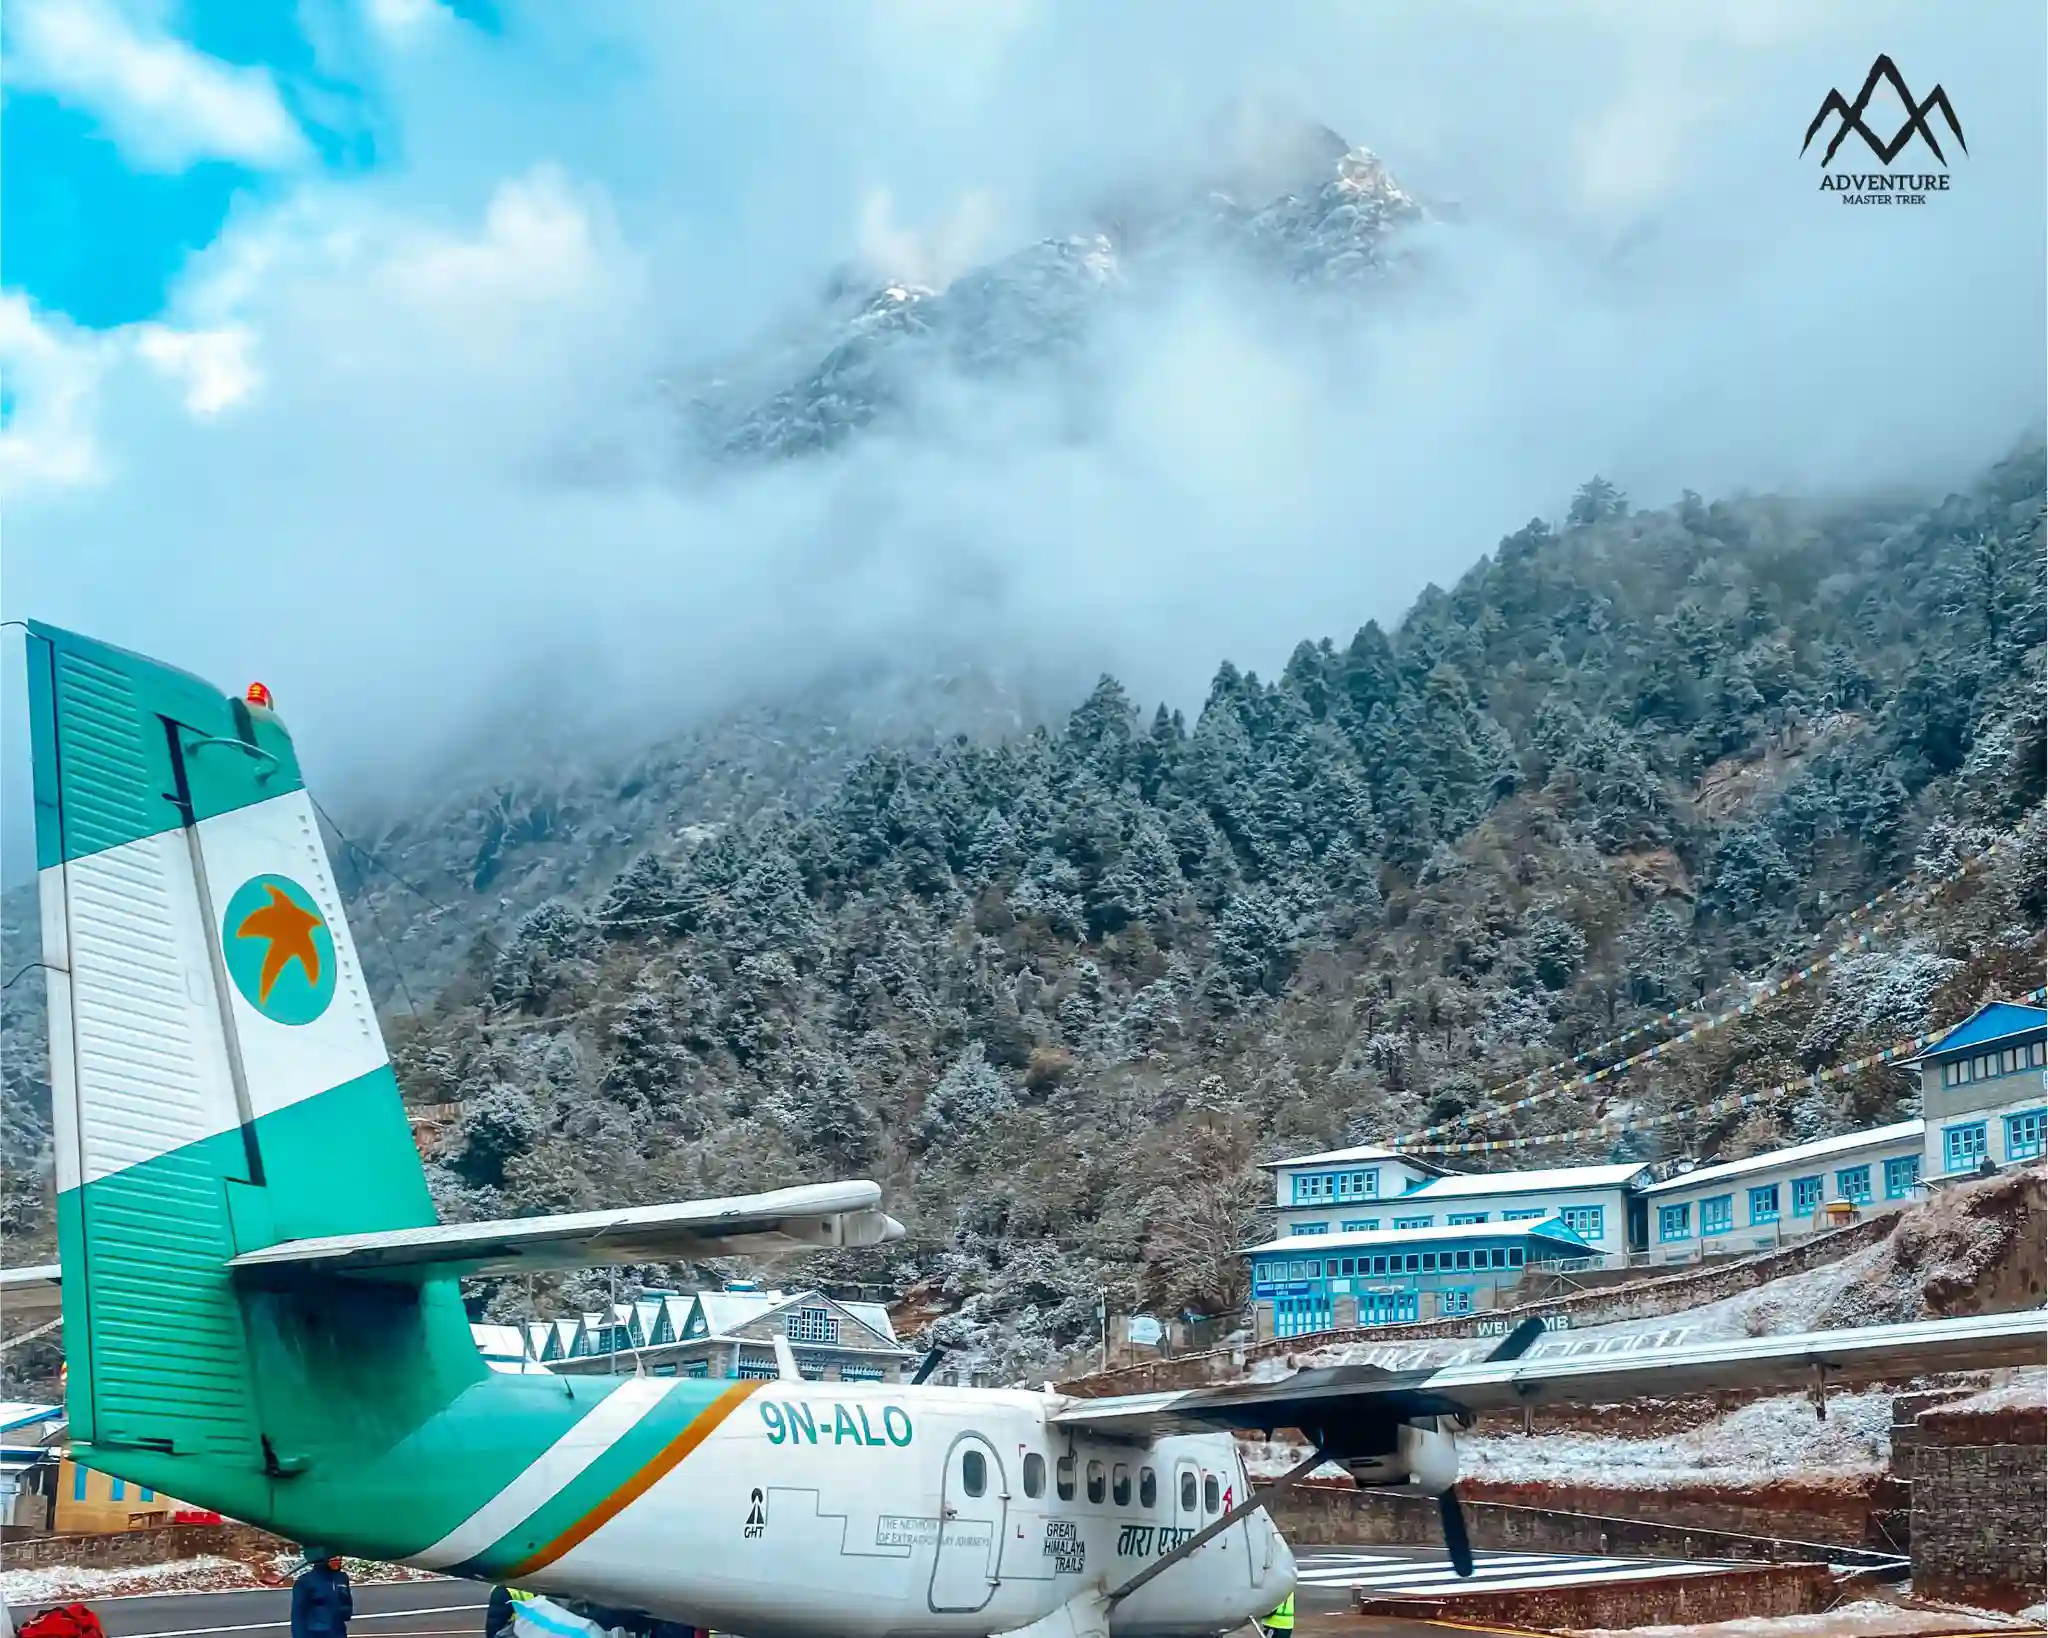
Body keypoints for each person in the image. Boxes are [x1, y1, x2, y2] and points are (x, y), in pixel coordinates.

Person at [291, 1551, 353, 1638]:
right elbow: (298, 1613)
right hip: (315, 1633)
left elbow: (346, 1599)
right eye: (334, 1559)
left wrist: (346, 1612)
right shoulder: (306, 1581)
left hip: (338, 1631)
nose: (338, 1561)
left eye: (340, 1559)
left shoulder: (341, 1578)